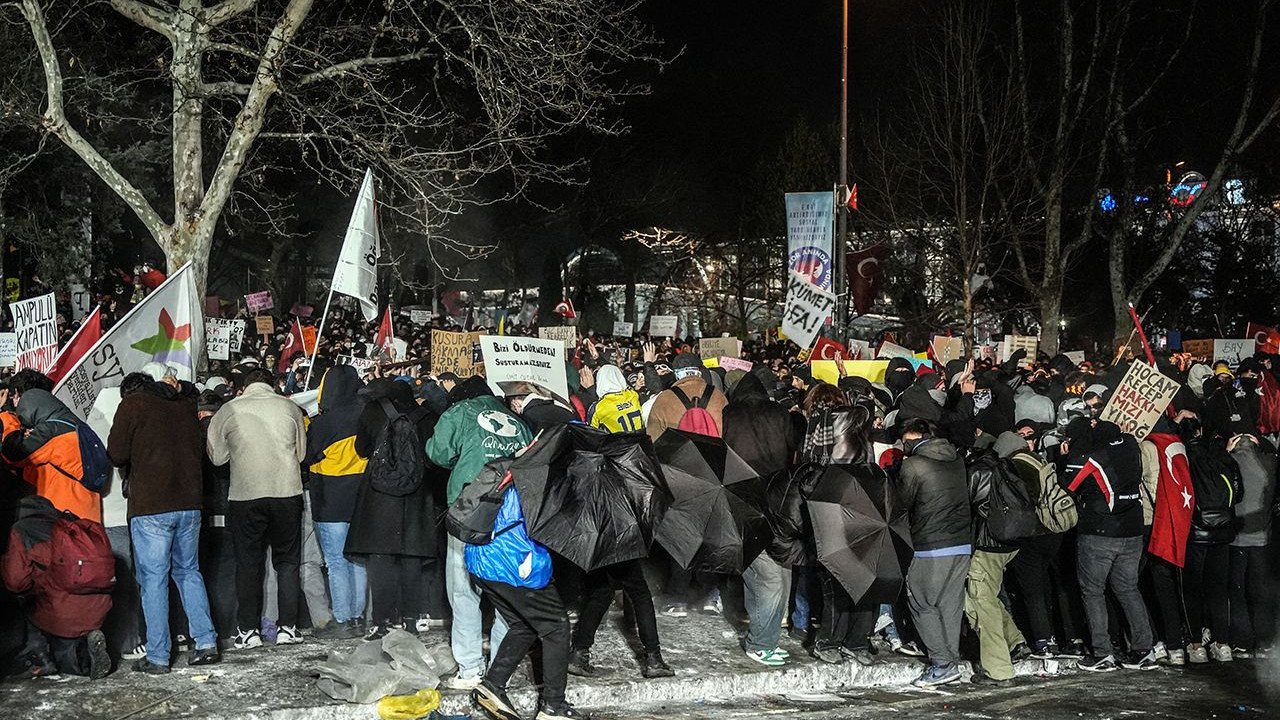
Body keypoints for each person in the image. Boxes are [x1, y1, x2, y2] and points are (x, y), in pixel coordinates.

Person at [107, 372, 221, 673]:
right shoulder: (185, 406)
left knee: (154, 579)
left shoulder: (133, 405)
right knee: (189, 572)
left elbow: (116, 453)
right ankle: (206, 642)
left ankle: (158, 656)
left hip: (152, 506)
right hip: (190, 505)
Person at [426, 376, 531, 689]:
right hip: (511, 515)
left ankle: (471, 669)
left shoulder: (459, 412)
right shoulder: (517, 420)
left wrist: (463, 457)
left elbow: (437, 452)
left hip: (468, 511)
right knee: (506, 592)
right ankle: (500, 671)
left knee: (464, 590)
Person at [207, 367, 309, 649]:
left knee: (248, 564)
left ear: (245, 386)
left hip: (245, 495)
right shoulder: (290, 408)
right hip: (286, 492)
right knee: (287, 563)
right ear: (272, 385)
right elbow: (301, 454)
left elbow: (217, 458)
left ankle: (248, 630)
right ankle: (288, 627)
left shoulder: (229, 410)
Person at [468, 482, 580, 720]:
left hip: (481, 558)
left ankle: (493, 685)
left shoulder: (517, 470)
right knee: (556, 627)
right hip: (514, 562)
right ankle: (554, 706)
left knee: (524, 623)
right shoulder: (544, 477)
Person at [347, 378, 442, 640]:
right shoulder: (427, 416)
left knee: (381, 561)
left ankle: (382, 622)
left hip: (379, 497)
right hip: (417, 496)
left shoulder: (373, 410)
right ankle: (410, 620)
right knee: (411, 560)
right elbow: (433, 456)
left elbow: (361, 449)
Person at [1061, 418, 1155, 672]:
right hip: (1132, 530)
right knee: (1128, 589)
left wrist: (1072, 451)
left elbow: (1069, 484)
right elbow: (1121, 435)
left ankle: (1103, 653)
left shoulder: (1092, 457)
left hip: (1100, 532)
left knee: (1093, 592)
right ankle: (1144, 649)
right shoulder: (1131, 446)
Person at [2, 495, 112, 680]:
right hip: (98, 604)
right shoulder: (71, 523)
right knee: (72, 639)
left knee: (23, 598)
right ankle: (89, 645)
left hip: (61, 610)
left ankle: (39, 656)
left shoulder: (22, 529)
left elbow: (15, 582)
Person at [898, 417, 971, 686]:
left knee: (921, 602)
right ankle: (950, 660)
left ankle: (942, 663)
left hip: (930, 544)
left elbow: (902, 503)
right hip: (961, 542)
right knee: (950, 606)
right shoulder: (956, 459)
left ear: (912, 439)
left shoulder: (913, 465)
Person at [304, 365, 369, 639]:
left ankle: (342, 618)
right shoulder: (367, 416)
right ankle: (357, 618)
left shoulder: (322, 423)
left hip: (329, 500)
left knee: (336, 562)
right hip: (361, 500)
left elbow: (306, 456)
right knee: (358, 561)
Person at [965, 434, 1032, 684]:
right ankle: (1015, 642)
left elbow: (966, 509)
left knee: (982, 604)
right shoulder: (1012, 468)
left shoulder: (980, 470)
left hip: (987, 545)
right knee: (988, 597)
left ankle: (999, 670)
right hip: (1010, 544)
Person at [1180, 415, 1241, 663]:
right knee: (1219, 590)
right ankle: (1223, 645)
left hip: (1195, 534)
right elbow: (1238, 493)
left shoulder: (1183, 457)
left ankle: (1196, 646)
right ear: (1201, 431)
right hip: (1223, 532)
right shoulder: (1222, 456)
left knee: (1192, 590)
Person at [2, 386, 102, 524]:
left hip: (65, 517)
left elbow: (14, 453)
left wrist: (7, 416)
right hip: (89, 517)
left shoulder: (52, 431)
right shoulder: (76, 427)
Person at [645, 352, 727, 440]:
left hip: (678, 448)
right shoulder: (718, 396)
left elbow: (653, 437)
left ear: (676, 374)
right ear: (701, 371)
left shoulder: (664, 399)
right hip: (714, 448)